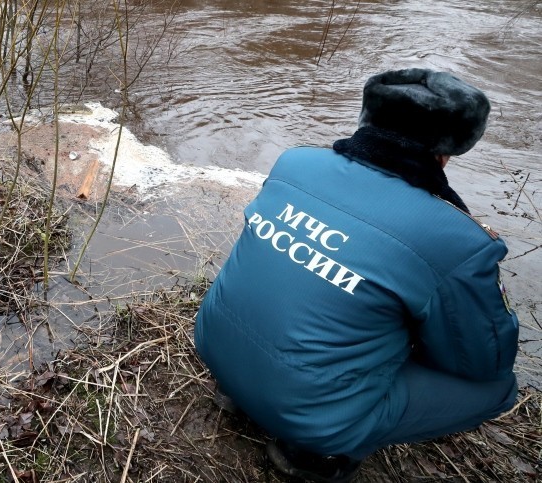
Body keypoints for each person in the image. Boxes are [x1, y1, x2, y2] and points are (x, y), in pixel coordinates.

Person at [194, 68, 519, 483]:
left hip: (212, 342)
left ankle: (235, 390)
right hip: (312, 415)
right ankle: (314, 455)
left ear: (368, 116)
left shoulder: (294, 162)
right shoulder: (457, 238)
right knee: (498, 389)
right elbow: (483, 362)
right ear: (449, 150)